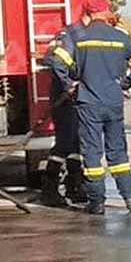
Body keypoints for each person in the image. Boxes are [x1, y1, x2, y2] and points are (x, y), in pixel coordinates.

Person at [54, 0, 131, 215]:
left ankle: (96, 202)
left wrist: (70, 85)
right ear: (107, 13)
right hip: (113, 102)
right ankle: (130, 197)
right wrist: (125, 84)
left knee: (92, 153)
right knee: (118, 152)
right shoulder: (120, 37)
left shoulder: (78, 38)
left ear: (88, 14)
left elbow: (58, 61)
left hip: (88, 103)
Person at [39, 13, 91, 207]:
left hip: (78, 95)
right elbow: (55, 61)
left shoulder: (86, 34)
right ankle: (49, 188)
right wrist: (69, 85)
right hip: (65, 97)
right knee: (65, 141)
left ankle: (75, 185)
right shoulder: (70, 35)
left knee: (77, 141)